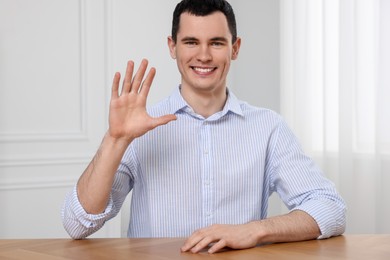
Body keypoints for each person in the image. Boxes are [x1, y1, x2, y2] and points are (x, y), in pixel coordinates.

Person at [62, 0, 346, 254]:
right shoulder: (139, 128)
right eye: (191, 42)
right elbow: (77, 224)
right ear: (172, 47)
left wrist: (254, 229)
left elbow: (330, 208)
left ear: (235, 48)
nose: (204, 55)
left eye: (217, 43)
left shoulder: (268, 127)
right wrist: (115, 139)